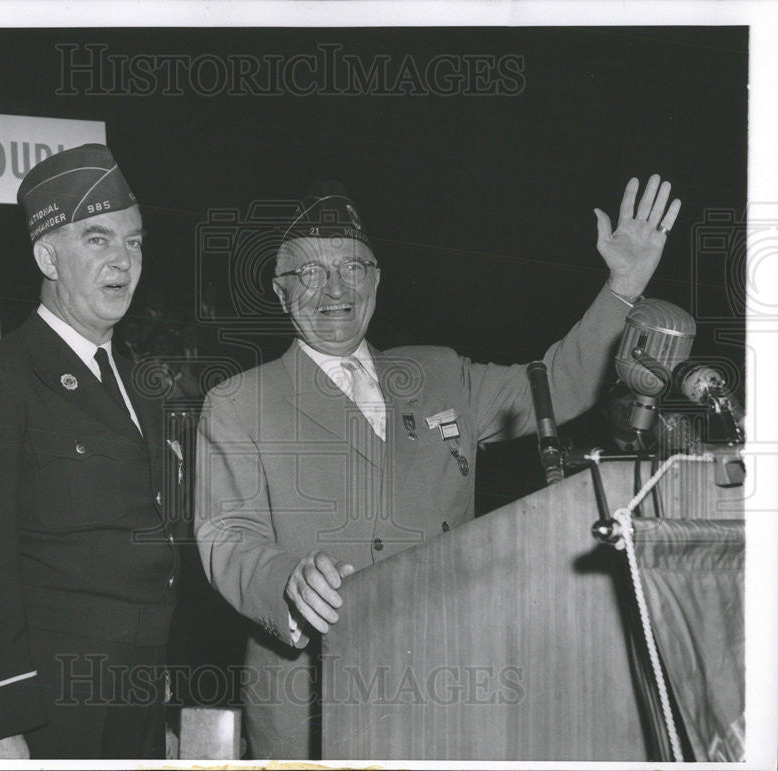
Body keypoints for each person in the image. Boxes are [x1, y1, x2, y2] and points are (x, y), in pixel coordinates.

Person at [194, 175, 681, 759]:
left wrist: (623, 289)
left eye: (352, 268)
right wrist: (286, 581)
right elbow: (227, 536)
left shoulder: (440, 372)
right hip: (311, 694)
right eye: (309, 273)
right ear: (279, 292)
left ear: (376, 279)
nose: (334, 288)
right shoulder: (239, 401)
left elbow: (558, 386)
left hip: (445, 675)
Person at [0, 144, 182, 759]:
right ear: (47, 256)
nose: (124, 259)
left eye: (135, 241)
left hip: (137, 701)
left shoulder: (140, 384)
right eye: (97, 239)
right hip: (48, 711)